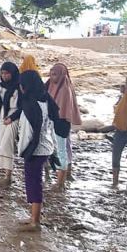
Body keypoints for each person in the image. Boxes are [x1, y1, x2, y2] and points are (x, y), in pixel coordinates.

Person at [6, 70, 59, 232]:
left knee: (34, 183)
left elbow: (27, 133)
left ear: (24, 86)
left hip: (34, 149)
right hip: (46, 146)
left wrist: (22, 150)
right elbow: (51, 126)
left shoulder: (29, 105)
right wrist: (54, 149)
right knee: (36, 181)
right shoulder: (46, 100)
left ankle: (35, 221)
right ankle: (34, 217)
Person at [46, 62, 82, 191]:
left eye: (55, 74)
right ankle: (66, 174)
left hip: (61, 121)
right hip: (53, 120)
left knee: (61, 149)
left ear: (61, 75)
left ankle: (60, 182)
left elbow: (63, 109)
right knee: (63, 147)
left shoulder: (64, 89)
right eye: (51, 74)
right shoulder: (50, 85)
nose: (52, 76)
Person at [0, 62, 22, 187]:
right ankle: (6, 173)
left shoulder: (20, 87)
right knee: (3, 142)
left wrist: (12, 118)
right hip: (3, 116)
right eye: (2, 73)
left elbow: (23, 106)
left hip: (14, 116)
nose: (4, 76)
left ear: (13, 73)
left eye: (7, 73)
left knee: (6, 144)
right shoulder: (0, 86)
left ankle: (8, 176)